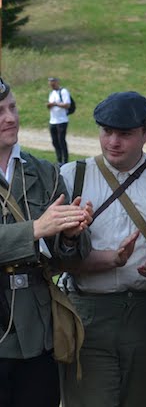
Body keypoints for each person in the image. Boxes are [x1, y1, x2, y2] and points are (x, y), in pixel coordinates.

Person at [59, 91, 146, 407]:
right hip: (88, 314)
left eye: (125, 134)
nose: (113, 142)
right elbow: (53, 254)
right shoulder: (72, 176)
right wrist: (72, 239)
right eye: (106, 131)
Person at [0, 77, 92, 407]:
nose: (10, 118)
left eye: (12, 108)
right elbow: (37, 231)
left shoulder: (44, 172)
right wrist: (36, 229)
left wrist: (69, 235)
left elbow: (69, 260)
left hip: (38, 332)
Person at [47, 76, 72, 165]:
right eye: (50, 84)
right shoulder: (52, 93)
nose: (52, 85)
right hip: (53, 120)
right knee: (55, 141)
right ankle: (59, 159)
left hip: (62, 120)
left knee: (61, 140)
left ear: (57, 82)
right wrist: (49, 105)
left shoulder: (63, 91)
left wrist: (55, 104)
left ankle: (65, 160)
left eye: (53, 83)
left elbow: (67, 105)